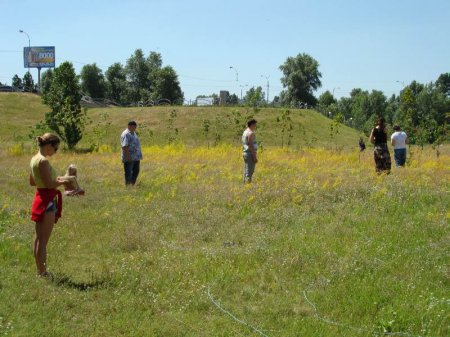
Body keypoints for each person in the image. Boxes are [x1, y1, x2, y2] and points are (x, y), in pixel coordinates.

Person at [29, 133, 65, 277]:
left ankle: (40, 271)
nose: (55, 152)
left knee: (39, 238)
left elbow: (32, 182)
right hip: (48, 201)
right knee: (43, 240)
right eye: (55, 149)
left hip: (39, 198)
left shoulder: (34, 159)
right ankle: (43, 273)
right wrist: (64, 180)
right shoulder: (43, 161)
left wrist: (53, 180)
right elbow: (50, 184)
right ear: (49, 145)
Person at [120, 120, 143, 186]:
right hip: (129, 157)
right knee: (128, 172)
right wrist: (128, 156)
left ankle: (132, 185)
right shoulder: (126, 134)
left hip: (136, 157)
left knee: (136, 171)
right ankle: (128, 186)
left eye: (135, 127)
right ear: (129, 126)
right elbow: (124, 146)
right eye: (133, 127)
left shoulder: (133, 132)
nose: (135, 128)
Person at [242, 119, 258, 183]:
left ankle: (244, 184)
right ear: (252, 124)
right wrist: (254, 156)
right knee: (250, 171)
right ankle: (247, 185)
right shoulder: (250, 133)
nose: (255, 126)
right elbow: (251, 145)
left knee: (246, 170)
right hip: (249, 153)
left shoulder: (245, 132)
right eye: (255, 125)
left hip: (245, 153)